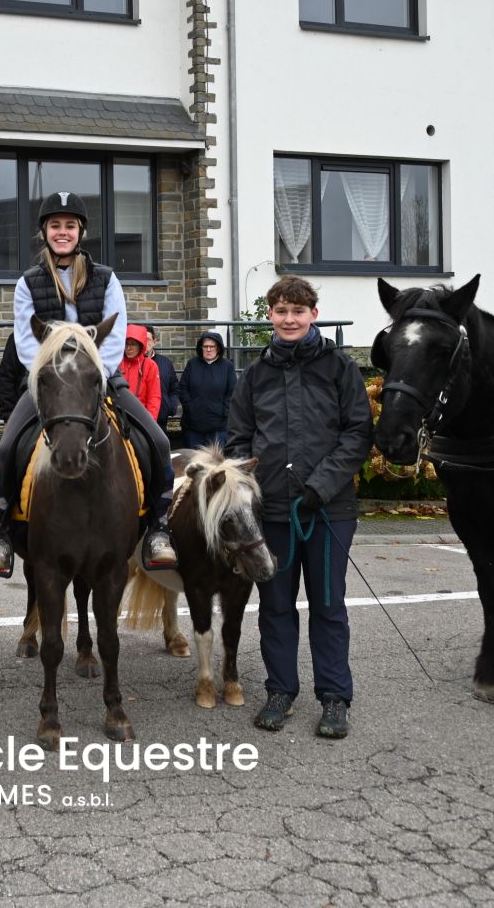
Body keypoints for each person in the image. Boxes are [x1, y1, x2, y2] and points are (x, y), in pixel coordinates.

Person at [0, 192, 178, 577]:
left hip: (100, 378)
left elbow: (115, 334)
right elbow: (25, 342)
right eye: (55, 225)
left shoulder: (106, 278)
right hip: (49, 380)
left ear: (81, 231)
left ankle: (158, 529)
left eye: (70, 225)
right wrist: (55, 375)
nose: (62, 232)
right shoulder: (28, 282)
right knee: (6, 448)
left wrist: (93, 376)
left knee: (158, 441)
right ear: (44, 232)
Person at [223, 276, 372, 740]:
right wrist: (252, 490)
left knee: (328, 605)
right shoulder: (255, 375)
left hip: (328, 511)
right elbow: (238, 439)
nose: (289, 319)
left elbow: (357, 434)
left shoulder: (339, 367)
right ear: (270, 315)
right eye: (281, 311)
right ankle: (280, 690)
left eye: (298, 311)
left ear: (313, 314)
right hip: (272, 513)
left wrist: (321, 486)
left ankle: (334, 697)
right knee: (275, 606)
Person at [178, 331, 236, 450]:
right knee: (194, 460)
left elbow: (232, 392)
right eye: (205, 346)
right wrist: (190, 407)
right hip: (193, 425)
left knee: (216, 460)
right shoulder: (192, 364)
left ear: (218, 348)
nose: (208, 349)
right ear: (201, 347)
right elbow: (182, 387)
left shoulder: (227, 366)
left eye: (212, 346)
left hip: (218, 426)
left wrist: (224, 411)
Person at [119, 324, 162, 419]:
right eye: (126, 343)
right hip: (117, 415)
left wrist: (150, 421)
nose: (128, 348)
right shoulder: (117, 362)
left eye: (133, 344)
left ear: (140, 345)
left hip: (140, 417)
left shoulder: (150, 365)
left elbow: (154, 397)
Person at [146, 326, 179, 440]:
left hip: (161, 419)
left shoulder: (165, 363)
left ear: (154, 341)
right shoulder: (133, 363)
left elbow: (174, 387)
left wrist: (171, 406)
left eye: (148, 339)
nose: (145, 342)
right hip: (138, 418)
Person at [0, 333, 27, 422]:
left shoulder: (59, 338)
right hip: (22, 411)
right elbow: (6, 378)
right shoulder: (17, 339)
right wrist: (9, 416)